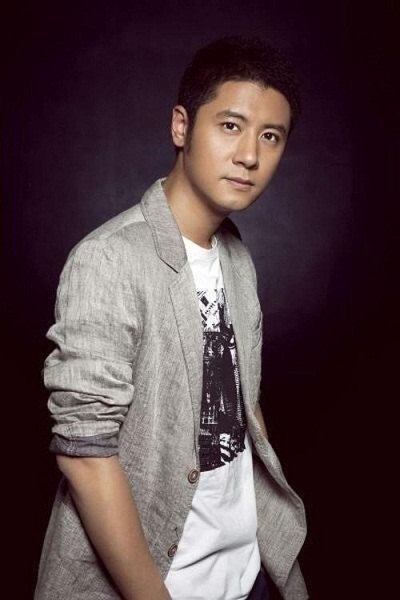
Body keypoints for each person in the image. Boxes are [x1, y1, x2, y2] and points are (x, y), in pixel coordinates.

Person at [35, 36, 308, 600]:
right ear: (182, 126)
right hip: (161, 583)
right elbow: (85, 456)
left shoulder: (235, 256)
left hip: (250, 570)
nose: (250, 155)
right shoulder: (110, 258)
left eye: (271, 136)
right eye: (230, 126)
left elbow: (244, 402)